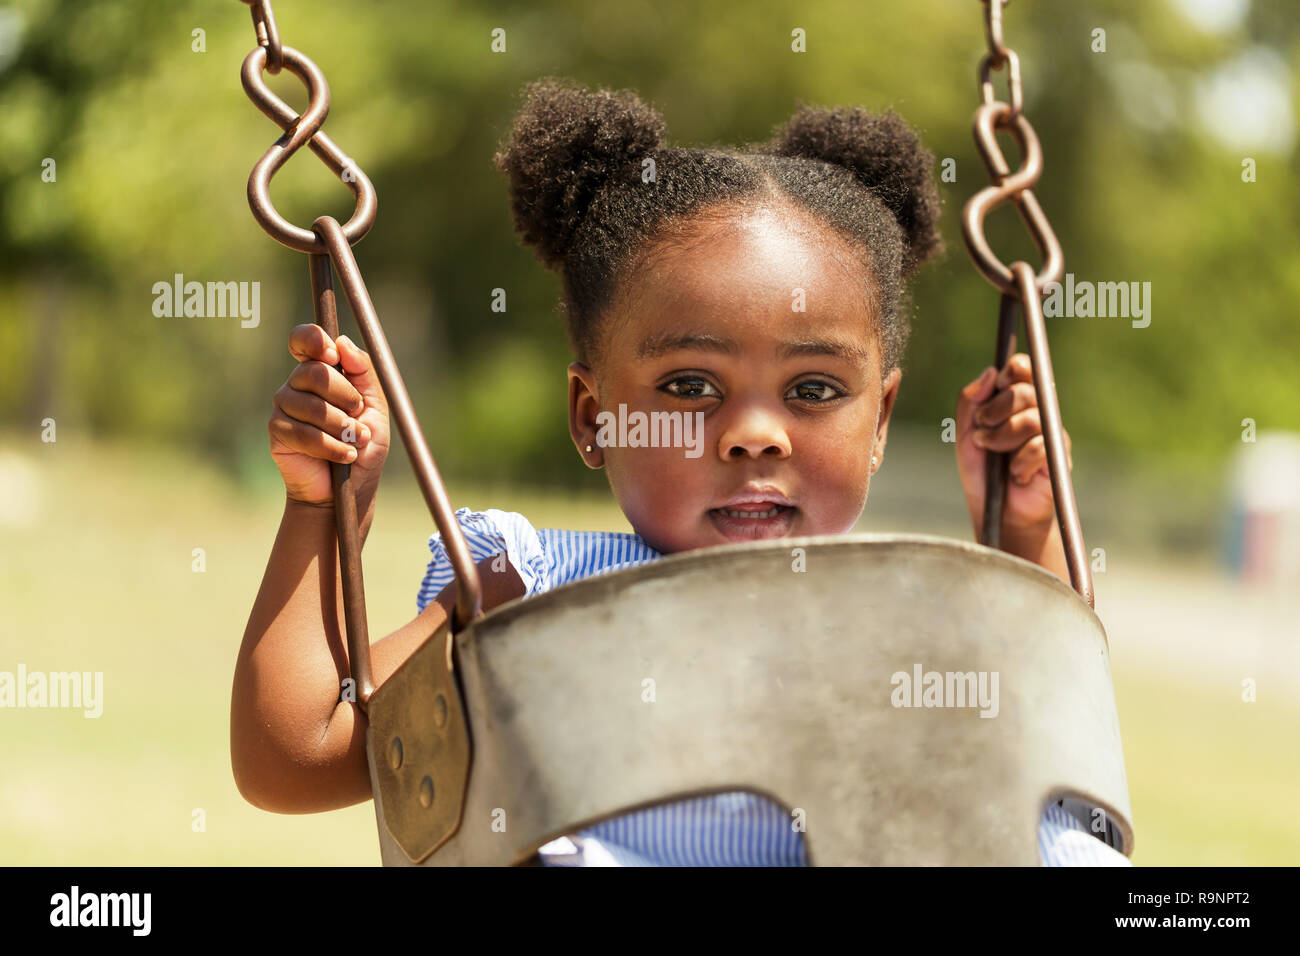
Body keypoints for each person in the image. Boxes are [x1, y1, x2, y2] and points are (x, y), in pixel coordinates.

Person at [232, 77, 1127, 866]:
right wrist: (326, 510)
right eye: (690, 385)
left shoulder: (924, 610)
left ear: (882, 418)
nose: (753, 435)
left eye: (813, 388)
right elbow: (301, 753)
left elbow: (1054, 789)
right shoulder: (521, 588)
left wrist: (1024, 533)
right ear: (594, 416)